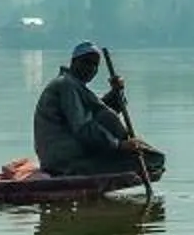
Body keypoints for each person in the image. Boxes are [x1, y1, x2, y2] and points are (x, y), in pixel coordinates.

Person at [32, 41, 166, 181]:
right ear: (74, 62)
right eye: (86, 62)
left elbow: (98, 112)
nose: (90, 68)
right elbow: (83, 127)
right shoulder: (67, 85)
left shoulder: (73, 85)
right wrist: (118, 145)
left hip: (66, 155)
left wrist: (116, 93)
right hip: (65, 161)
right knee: (153, 159)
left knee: (150, 157)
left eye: (95, 65)